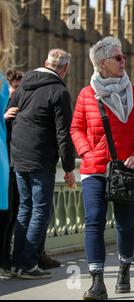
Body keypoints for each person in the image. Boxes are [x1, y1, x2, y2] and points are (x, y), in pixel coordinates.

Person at [70, 37, 134, 299]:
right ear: (102, 63)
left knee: (125, 225)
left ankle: (124, 269)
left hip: (125, 168)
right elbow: (76, 129)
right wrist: (85, 151)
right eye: (118, 58)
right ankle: (97, 281)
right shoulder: (86, 94)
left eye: (123, 57)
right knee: (93, 222)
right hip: (94, 167)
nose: (123, 61)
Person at [9, 49, 75, 279]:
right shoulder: (59, 91)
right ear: (64, 69)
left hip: (18, 156)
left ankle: (16, 262)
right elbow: (63, 134)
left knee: (25, 208)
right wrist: (68, 168)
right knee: (40, 211)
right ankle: (27, 264)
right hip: (40, 158)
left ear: (45, 63)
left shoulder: (24, 84)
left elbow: (11, 112)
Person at [0, 69, 23, 276]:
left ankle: (6, 260)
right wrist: (3, 117)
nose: (16, 93)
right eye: (14, 88)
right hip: (4, 167)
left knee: (12, 215)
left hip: (14, 167)